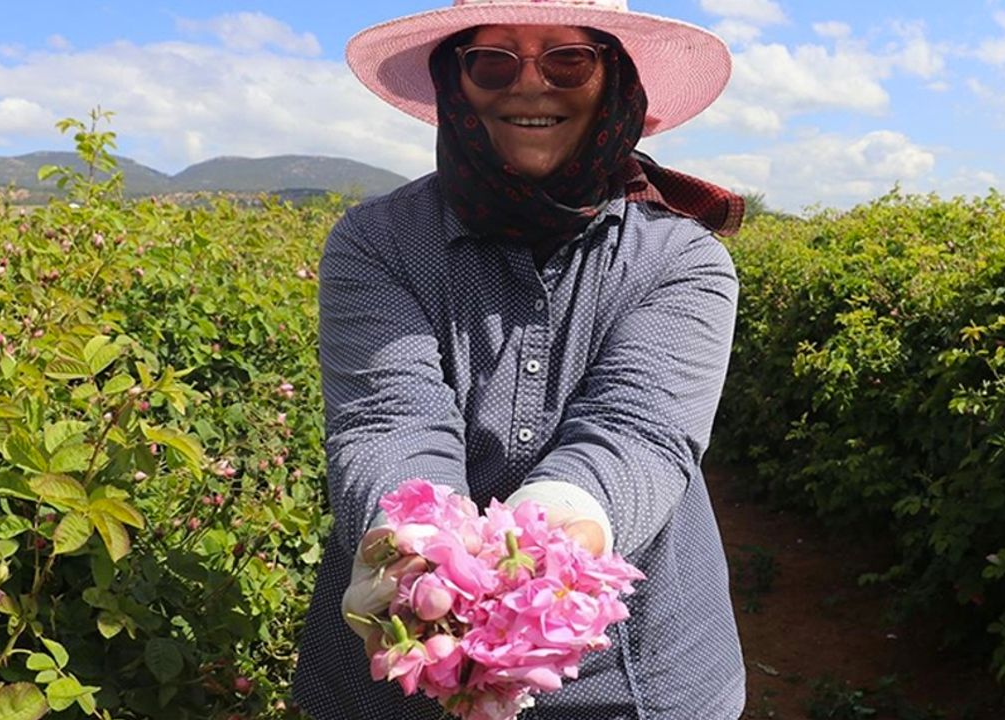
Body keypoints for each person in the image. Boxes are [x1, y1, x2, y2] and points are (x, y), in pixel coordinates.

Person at [292, 1, 747, 718]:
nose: (529, 85)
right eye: (493, 61)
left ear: (614, 79)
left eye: (569, 58)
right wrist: (417, 559)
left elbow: (638, 431)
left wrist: (549, 543)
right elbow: (392, 419)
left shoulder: (683, 259)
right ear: (456, 82)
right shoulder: (377, 243)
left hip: (635, 685)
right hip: (406, 672)